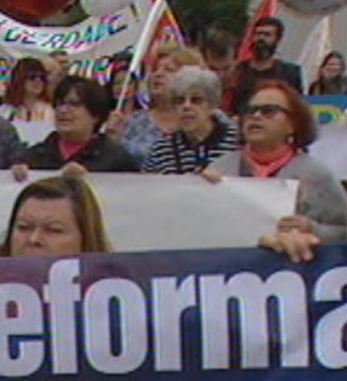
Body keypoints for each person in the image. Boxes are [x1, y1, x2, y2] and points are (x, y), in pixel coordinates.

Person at [206, 80, 347, 246]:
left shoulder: (316, 174)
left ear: (293, 123)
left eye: (269, 111)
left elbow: (342, 231)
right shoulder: (219, 169)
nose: (256, 116)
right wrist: (201, 190)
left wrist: (312, 229)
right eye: (250, 111)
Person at [13, 76, 139, 179]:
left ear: (95, 114)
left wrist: (90, 180)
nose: (63, 110)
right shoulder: (34, 156)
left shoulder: (116, 159)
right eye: (60, 104)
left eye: (74, 104)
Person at [106, 45, 205, 165]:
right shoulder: (132, 123)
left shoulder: (208, 121)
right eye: (155, 69)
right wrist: (112, 139)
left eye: (169, 70)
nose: (158, 74)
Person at [143, 66, 240, 175]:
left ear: (213, 105)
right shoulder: (161, 150)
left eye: (196, 100)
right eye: (180, 101)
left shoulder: (237, 141)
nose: (186, 106)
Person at [0, 176, 112, 256]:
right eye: (23, 227)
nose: (34, 239)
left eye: (54, 230)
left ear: (86, 238)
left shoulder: (116, 290)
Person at [231, 17, 302, 113]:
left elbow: (297, 106)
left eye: (267, 35)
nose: (261, 38)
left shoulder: (291, 73)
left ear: (277, 39)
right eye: (258, 34)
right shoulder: (238, 70)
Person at [0, 58, 54, 123]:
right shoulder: (3, 112)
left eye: (42, 77)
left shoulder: (52, 112)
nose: (38, 80)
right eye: (32, 76)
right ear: (19, 79)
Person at [200, 28, 239, 112]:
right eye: (213, 69)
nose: (220, 75)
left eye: (226, 68)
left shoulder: (247, 88)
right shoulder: (192, 89)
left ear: (236, 62)